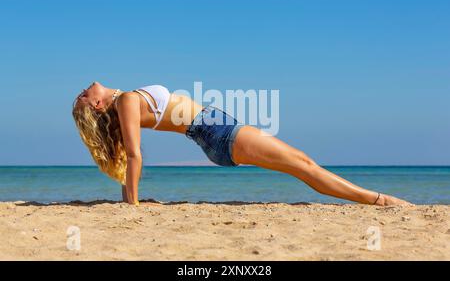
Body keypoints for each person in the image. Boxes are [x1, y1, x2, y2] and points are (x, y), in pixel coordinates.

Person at [72, 81, 411, 206]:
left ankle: (372, 198)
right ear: (98, 105)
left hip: (218, 132)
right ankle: (377, 200)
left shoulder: (126, 101)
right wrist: (131, 204)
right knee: (304, 166)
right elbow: (133, 154)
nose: (83, 90)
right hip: (219, 134)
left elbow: (128, 154)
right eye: (83, 97)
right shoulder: (127, 101)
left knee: (302, 165)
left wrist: (127, 198)